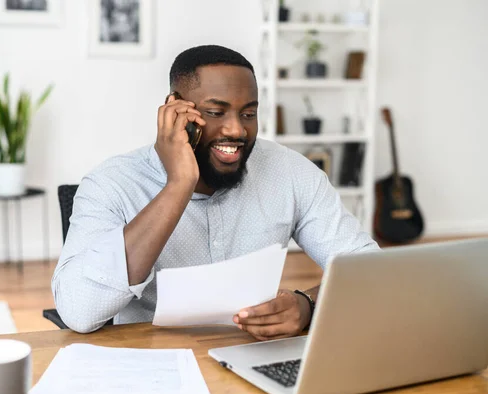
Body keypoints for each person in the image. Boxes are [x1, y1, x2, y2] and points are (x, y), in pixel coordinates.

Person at [52, 45, 379, 340]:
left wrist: (309, 303)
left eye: (248, 113)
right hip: (151, 364)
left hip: (253, 356)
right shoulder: (112, 184)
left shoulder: (292, 173)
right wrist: (179, 185)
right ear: (173, 110)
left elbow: (371, 271)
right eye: (215, 112)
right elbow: (80, 312)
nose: (236, 129)